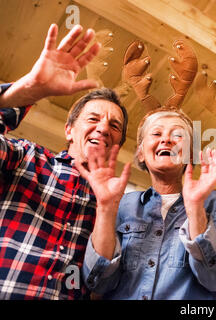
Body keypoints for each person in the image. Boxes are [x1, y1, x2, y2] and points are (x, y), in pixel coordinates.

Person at [0, 24, 130, 299]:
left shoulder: (119, 205)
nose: (104, 128)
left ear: (117, 144)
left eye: (114, 126)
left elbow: (101, 282)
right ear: (69, 130)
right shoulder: (24, 156)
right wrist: (28, 90)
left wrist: (107, 209)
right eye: (93, 119)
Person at [80, 107, 216, 300]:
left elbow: (215, 278)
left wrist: (194, 208)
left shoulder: (213, 202)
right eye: (156, 133)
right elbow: (98, 282)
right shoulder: (123, 204)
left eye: (177, 134)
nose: (166, 139)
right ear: (141, 153)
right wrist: (105, 208)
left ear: (191, 155)